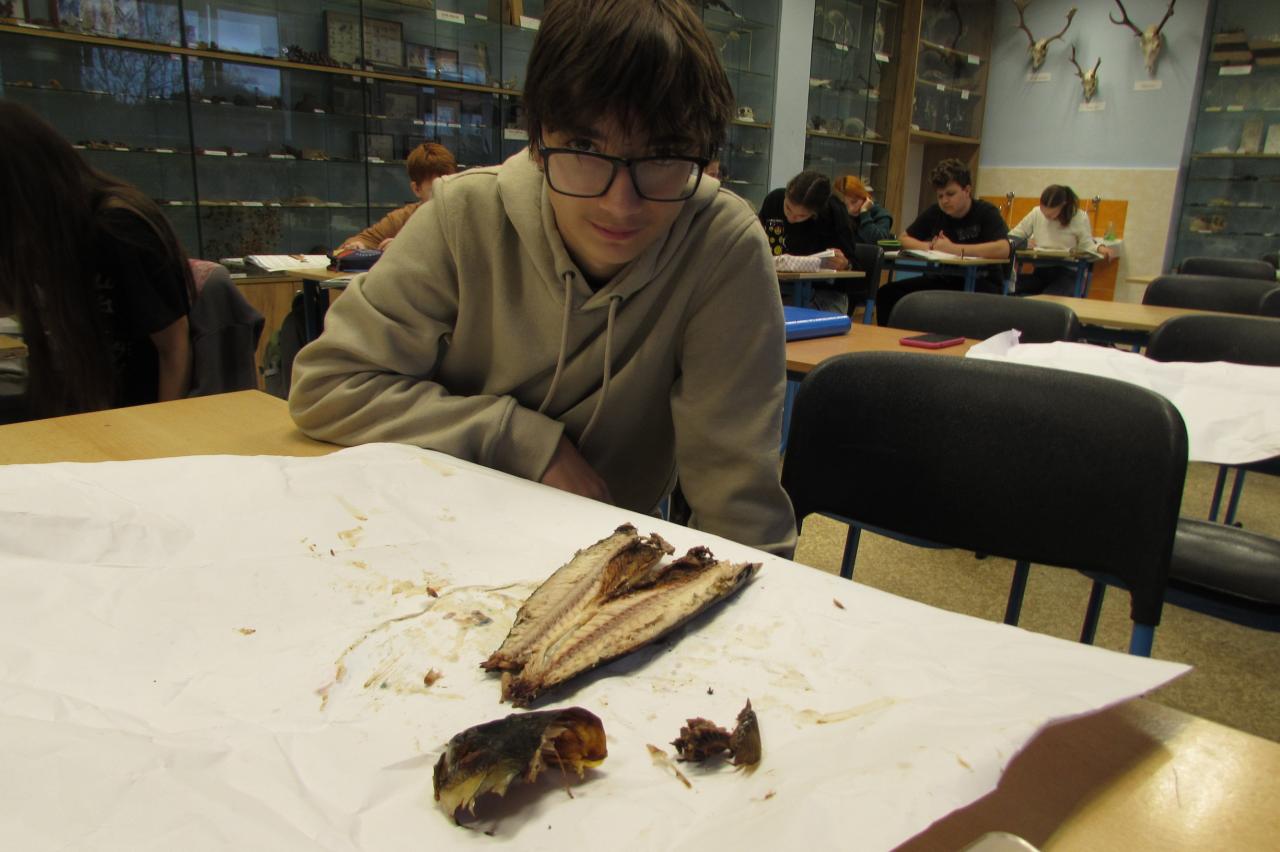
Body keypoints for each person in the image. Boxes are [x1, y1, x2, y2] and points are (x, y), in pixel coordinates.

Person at [289, 0, 796, 557]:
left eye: (663, 155)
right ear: (536, 142)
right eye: (584, 147)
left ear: (703, 156)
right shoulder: (465, 215)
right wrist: (520, 441)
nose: (619, 203)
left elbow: (737, 503)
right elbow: (328, 386)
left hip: (602, 553)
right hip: (432, 534)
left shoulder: (722, 246)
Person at [0, 100, 194, 420]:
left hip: (134, 411)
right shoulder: (49, 231)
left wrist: (163, 434)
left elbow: (174, 347)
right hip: (86, 405)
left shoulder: (115, 227)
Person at [875, 158, 1010, 326]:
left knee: (954, 309)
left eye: (950, 194)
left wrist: (952, 248)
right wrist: (930, 247)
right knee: (887, 293)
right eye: (940, 196)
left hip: (983, 282)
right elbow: (904, 239)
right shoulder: (935, 212)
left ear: (967, 190)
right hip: (944, 280)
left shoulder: (986, 212)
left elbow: (1004, 248)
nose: (944, 200)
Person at [758, 170, 860, 314]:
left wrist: (845, 264)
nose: (791, 218)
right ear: (786, 195)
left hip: (824, 294)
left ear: (816, 213)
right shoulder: (774, 200)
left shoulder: (833, 213)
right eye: (788, 208)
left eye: (802, 215)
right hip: (778, 290)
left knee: (779, 318)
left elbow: (854, 266)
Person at [336, 142, 457, 251]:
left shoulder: (463, 213)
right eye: (435, 190)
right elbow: (360, 241)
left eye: (450, 186)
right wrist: (357, 246)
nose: (444, 195)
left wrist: (403, 249)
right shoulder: (404, 217)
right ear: (416, 189)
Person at [1008, 184, 1113, 296]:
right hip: (1041, 272)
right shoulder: (1036, 213)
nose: (1047, 217)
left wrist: (1100, 248)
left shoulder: (1079, 217)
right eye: (1044, 213)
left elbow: (1087, 245)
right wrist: (1024, 243)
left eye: (1051, 215)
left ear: (1063, 206)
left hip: (1068, 274)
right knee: (1010, 288)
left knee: (1048, 298)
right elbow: (1012, 236)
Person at [832, 174, 894, 244]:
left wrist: (864, 213)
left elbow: (877, 242)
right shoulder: (840, 214)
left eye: (854, 202)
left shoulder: (881, 214)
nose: (851, 209)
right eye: (845, 205)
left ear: (864, 196)